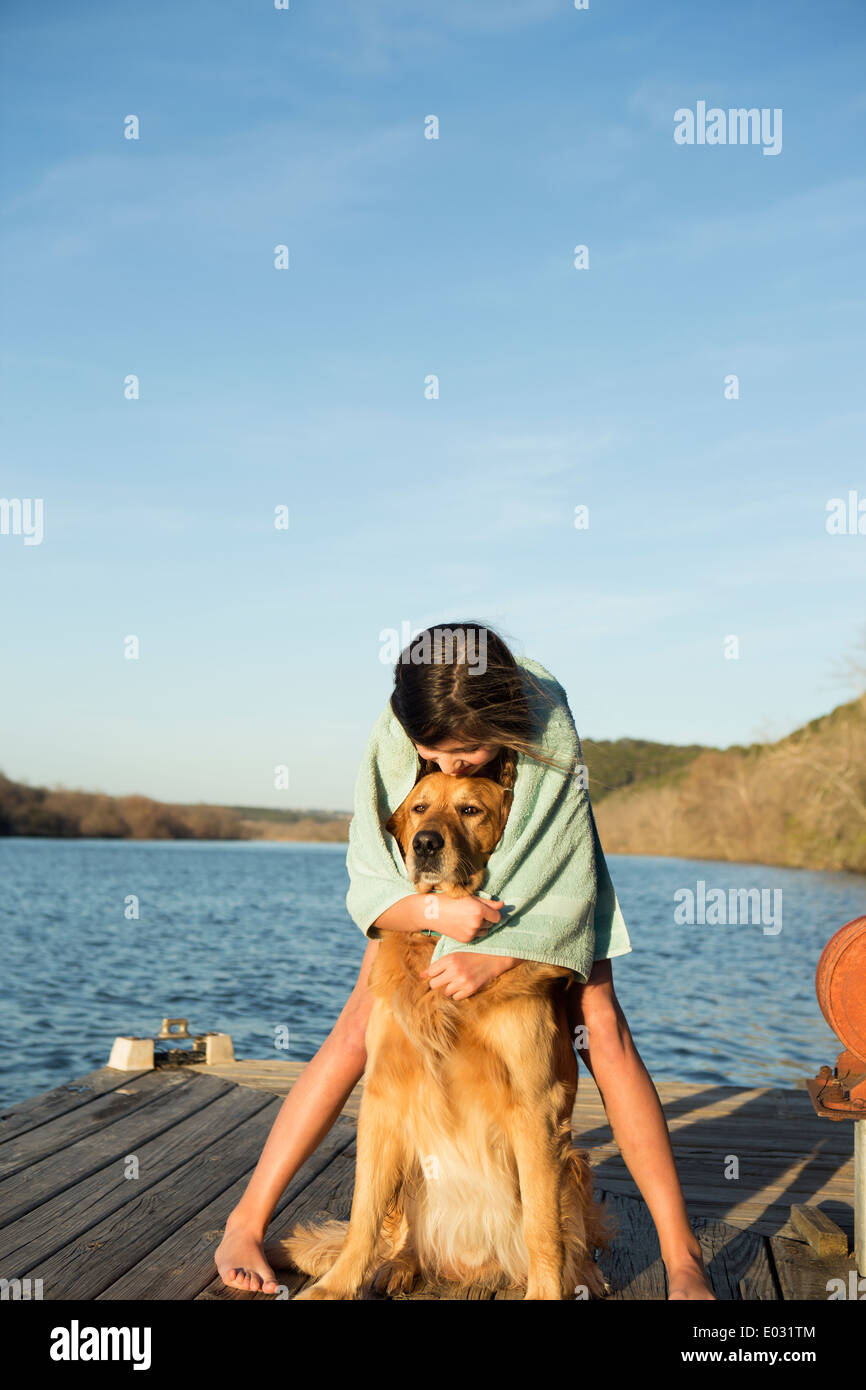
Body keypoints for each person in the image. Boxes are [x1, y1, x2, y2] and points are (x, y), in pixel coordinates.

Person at [216, 623, 714, 1300]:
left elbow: (560, 868)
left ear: (503, 724)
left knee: (601, 1020)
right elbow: (369, 872)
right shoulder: (397, 727)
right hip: (426, 911)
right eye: (431, 755)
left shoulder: (546, 723)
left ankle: (683, 1260)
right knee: (359, 1022)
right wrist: (430, 915)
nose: (448, 766)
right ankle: (244, 1222)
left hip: (546, 882)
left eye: (466, 754)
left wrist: (502, 950)